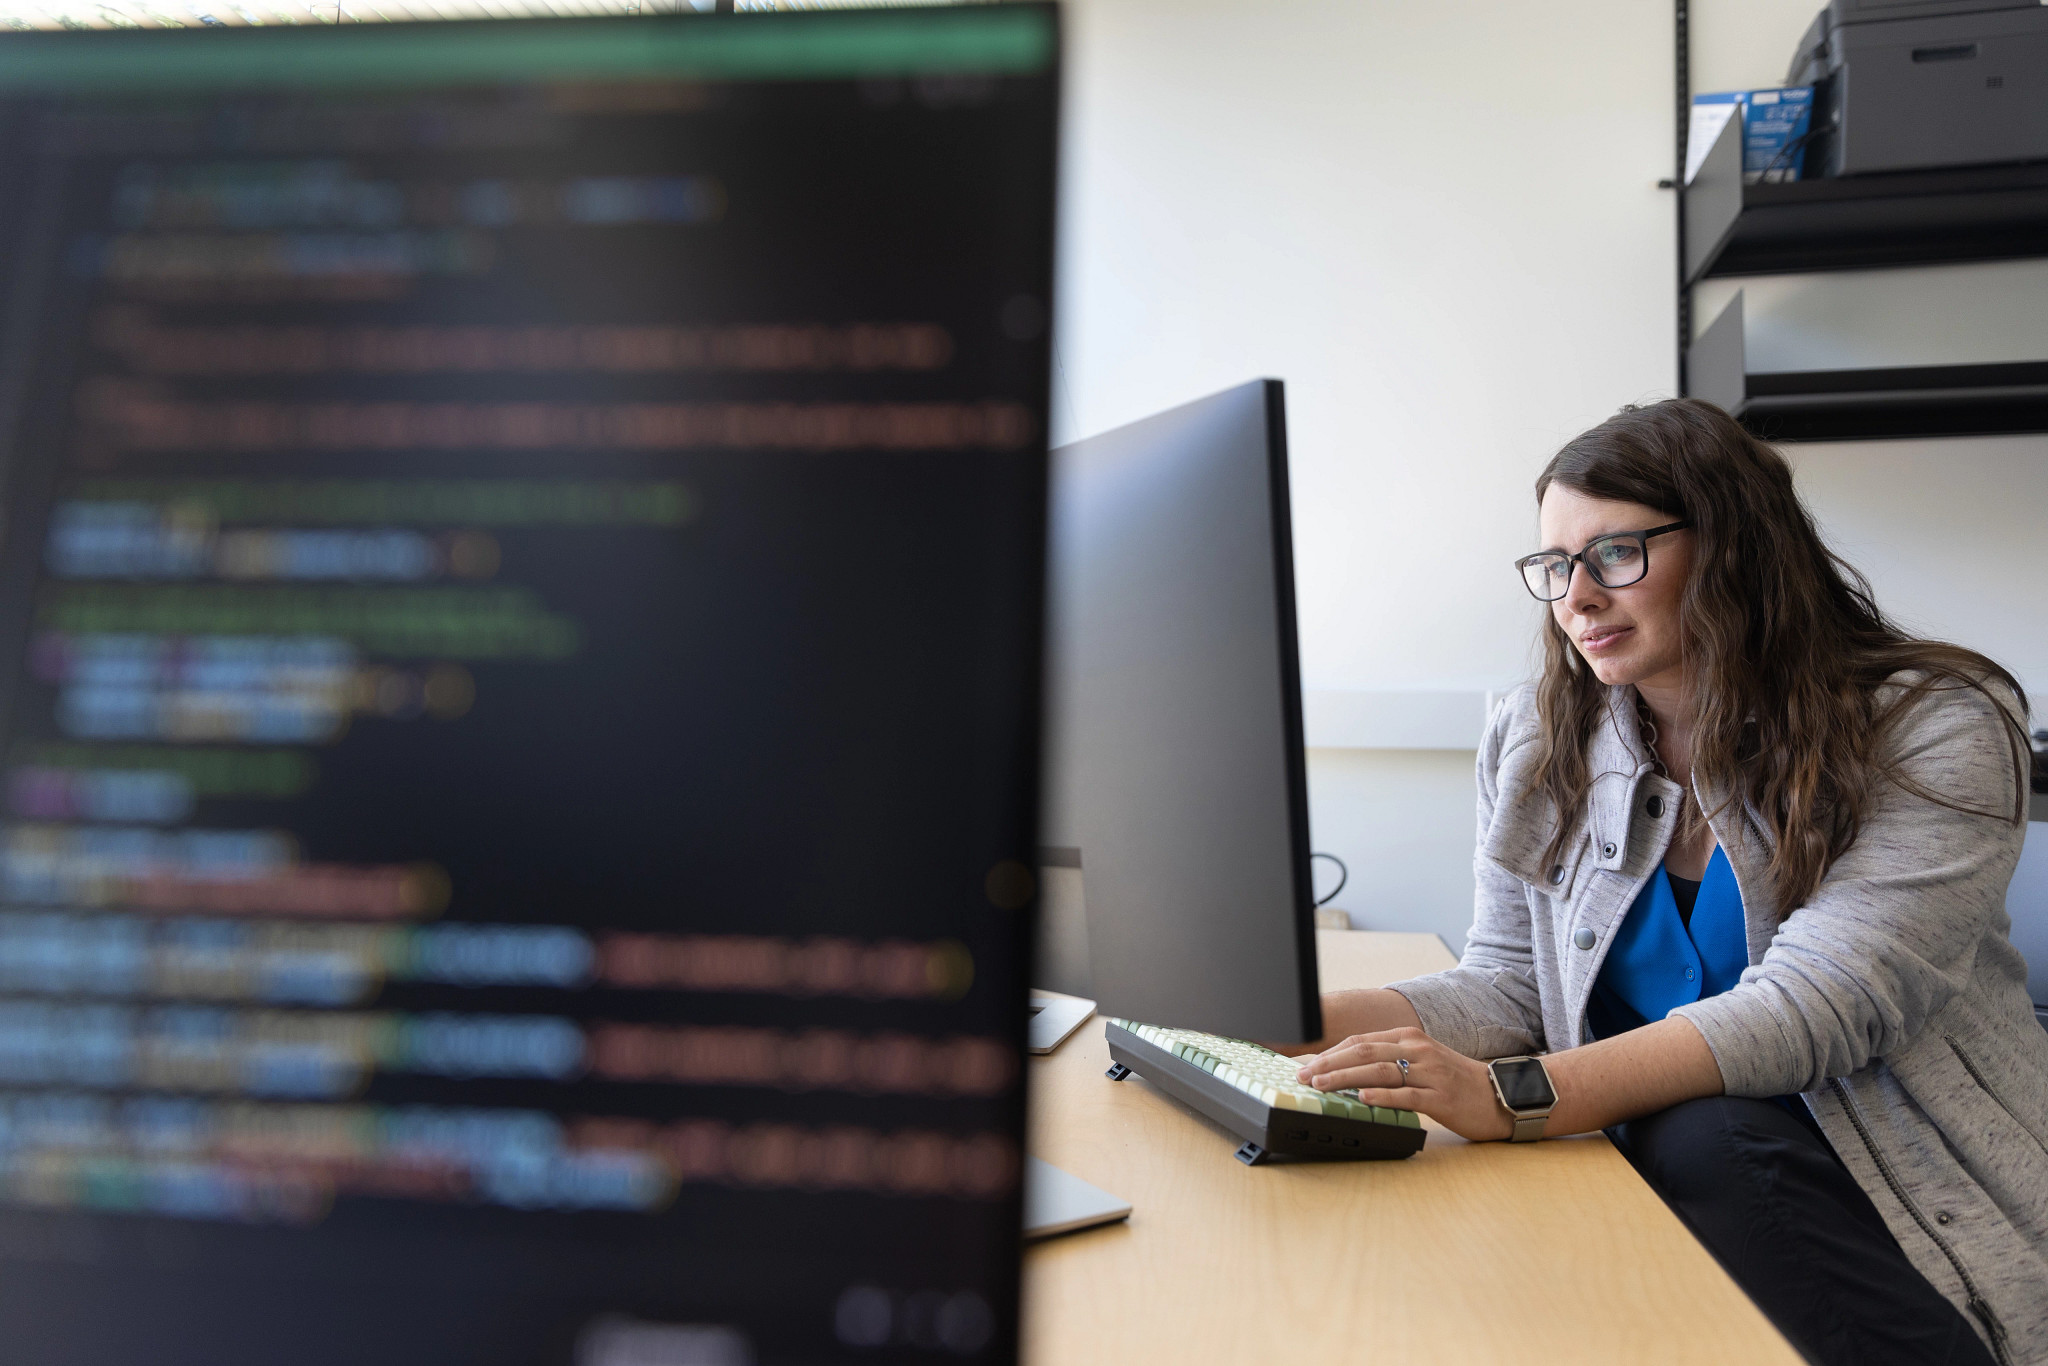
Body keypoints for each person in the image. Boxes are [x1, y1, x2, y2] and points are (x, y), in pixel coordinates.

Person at [1292, 399, 2048, 1366]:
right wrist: (1292, 1018)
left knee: (1705, 1133)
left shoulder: (1937, 724)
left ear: (1735, 547)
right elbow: (1512, 985)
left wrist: (1516, 1097)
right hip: (1643, 1167)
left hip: (1888, 1183)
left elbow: (1816, 1005)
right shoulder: (1536, 733)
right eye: (1555, 568)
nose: (1575, 598)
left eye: (1612, 555)